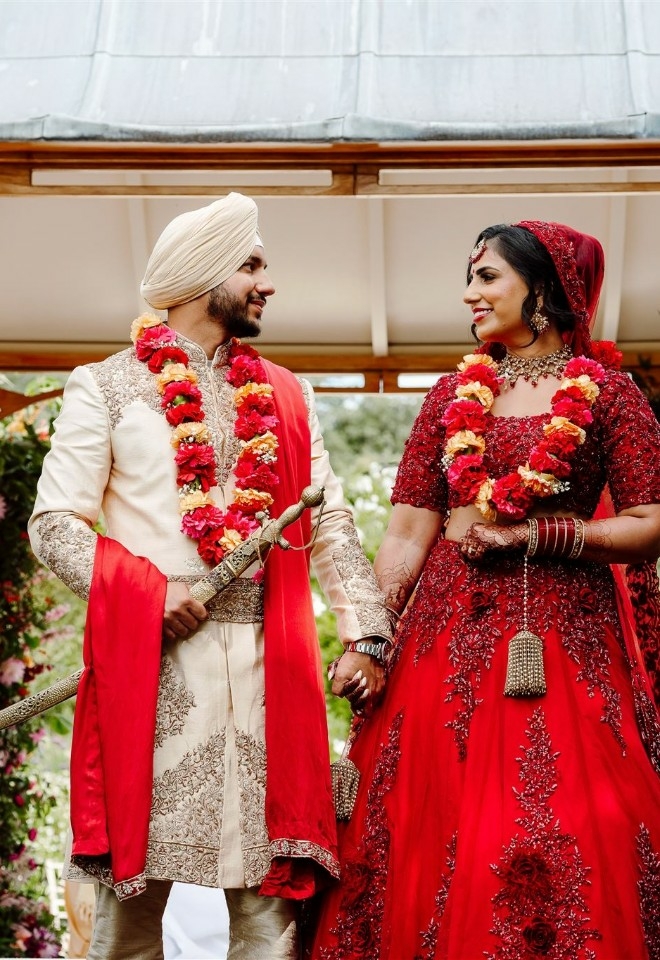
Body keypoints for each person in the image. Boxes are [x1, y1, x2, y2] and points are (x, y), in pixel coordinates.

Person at [28, 192, 393, 960]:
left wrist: (365, 632)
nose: (267, 282)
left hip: (271, 680)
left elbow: (325, 524)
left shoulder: (288, 396)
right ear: (200, 276)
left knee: (269, 926)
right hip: (151, 678)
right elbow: (54, 524)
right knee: (128, 922)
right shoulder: (109, 385)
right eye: (252, 264)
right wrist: (148, 597)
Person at [312, 220, 660, 959]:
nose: (470, 292)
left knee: (565, 817)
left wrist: (540, 535)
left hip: (564, 642)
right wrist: (372, 637)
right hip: (445, 638)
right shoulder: (449, 395)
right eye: (469, 276)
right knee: (428, 818)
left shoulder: (610, 396)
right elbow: (408, 531)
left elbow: (648, 524)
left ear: (542, 289)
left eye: (487, 276)